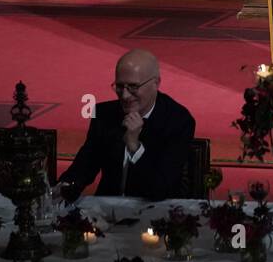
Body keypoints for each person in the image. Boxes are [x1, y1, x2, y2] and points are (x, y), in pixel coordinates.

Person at [57, 49, 195, 201]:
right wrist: (64, 187)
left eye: (133, 87)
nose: (125, 95)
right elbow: (85, 165)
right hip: (107, 212)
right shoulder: (104, 114)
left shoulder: (178, 121)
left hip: (156, 213)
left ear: (156, 83)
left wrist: (135, 148)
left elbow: (160, 189)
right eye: (119, 86)